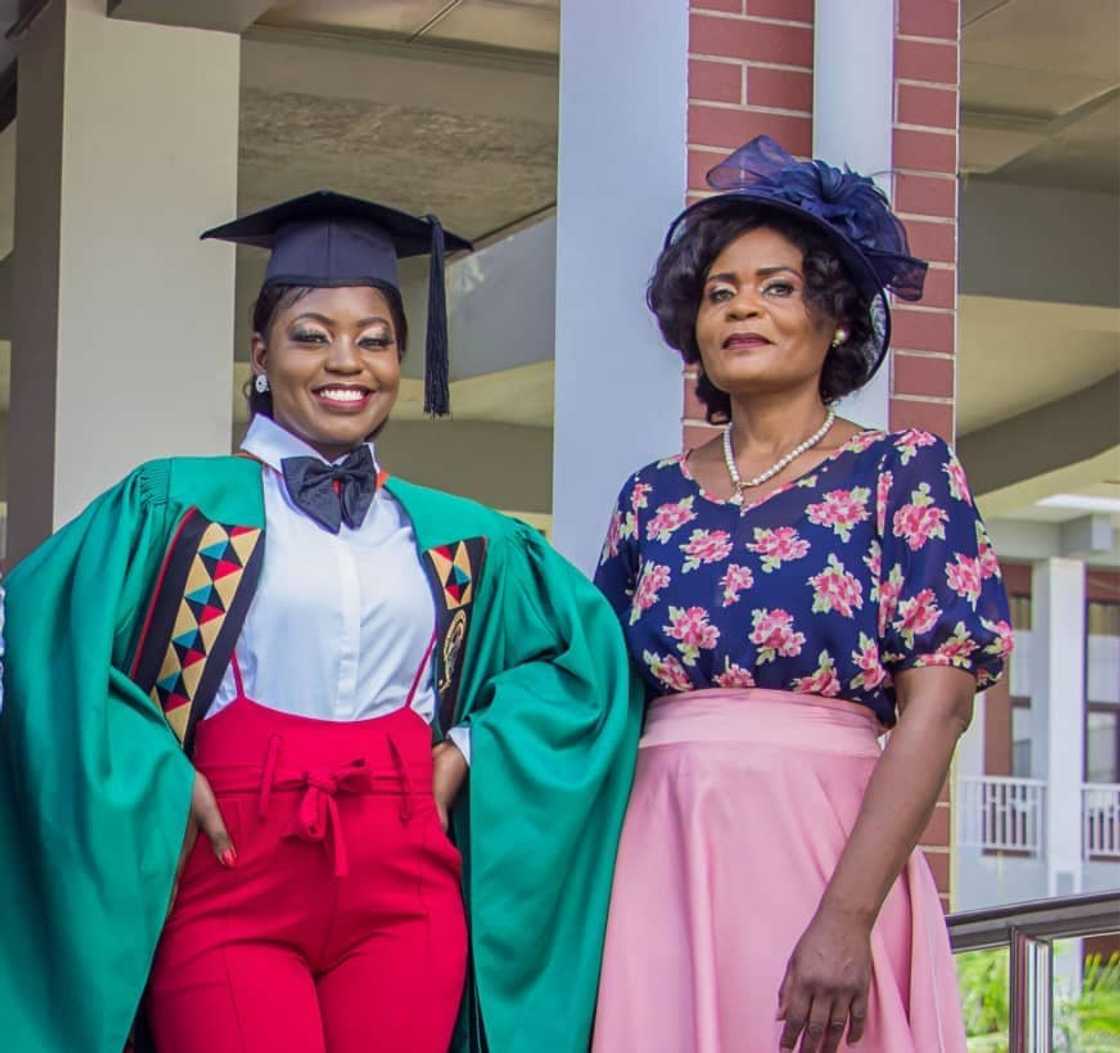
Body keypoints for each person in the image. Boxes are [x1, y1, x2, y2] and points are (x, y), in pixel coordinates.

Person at [0, 190, 642, 1053]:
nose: (347, 361)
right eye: (312, 335)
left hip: (405, 874)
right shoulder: (178, 506)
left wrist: (472, 749)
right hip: (231, 868)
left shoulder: (462, 536)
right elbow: (33, 635)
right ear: (261, 354)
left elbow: (591, 661)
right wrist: (158, 765)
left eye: (375, 339)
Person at [592, 136, 1013, 1053]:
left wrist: (847, 917)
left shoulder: (905, 471)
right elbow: (598, 697)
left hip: (827, 853)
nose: (743, 303)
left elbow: (937, 708)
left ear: (836, 321)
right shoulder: (648, 496)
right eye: (720, 290)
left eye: (777, 286)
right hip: (661, 858)